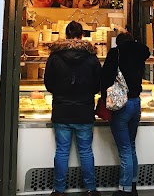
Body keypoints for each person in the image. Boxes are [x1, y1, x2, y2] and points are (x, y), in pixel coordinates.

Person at [44, 21, 101, 196]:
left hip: (62, 110)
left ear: (66, 34)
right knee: (85, 151)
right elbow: (98, 84)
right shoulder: (91, 57)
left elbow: (48, 84)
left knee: (62, 151)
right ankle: (91, 189)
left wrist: (61, 94)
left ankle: (59, 190)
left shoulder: (55, 57)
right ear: (82, 34)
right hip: (84, 110)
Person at [100, 32, 150, 196]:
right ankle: (133, 183)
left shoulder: (116, 54)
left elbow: (106, 78)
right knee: (131, 146)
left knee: (125, 149)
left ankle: (125, 189)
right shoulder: (141, 53)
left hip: (121, 105)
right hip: (136, 103)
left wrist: (103, 98)